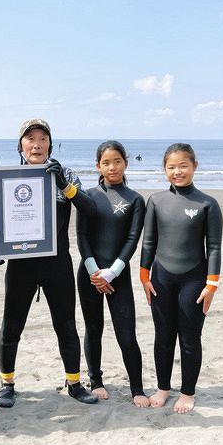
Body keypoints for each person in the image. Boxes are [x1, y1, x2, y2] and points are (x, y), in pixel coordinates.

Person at [0, 119, 98, 407]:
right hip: (21, 266)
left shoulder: (65, 174)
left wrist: (65, 187)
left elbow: (90, 210)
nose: (37, 144)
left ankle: (75, 383)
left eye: (43, 138)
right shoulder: (8, 177)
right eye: (30, 139)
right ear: (21, 146)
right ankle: (7, 384)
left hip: (58, 265)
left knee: (65, 325)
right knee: (11, 326)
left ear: (51, 144)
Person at [140, 143, 223, 414]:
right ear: (164, 170)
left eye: (183, 166)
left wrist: (211, 285)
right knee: (163, 336)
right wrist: (144, 275)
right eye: (172, 167)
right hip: (161, 278)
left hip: (194, 280)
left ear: (194, 166)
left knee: (189, 337)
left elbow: (213, 247)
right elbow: (149, 241)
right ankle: (163, 387)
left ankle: (188, 392)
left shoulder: (207, 204)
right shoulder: (156, 200)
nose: (178, 172)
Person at [76, 140, 149, 407]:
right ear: (98, 166)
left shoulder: (135, 200)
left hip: (118, 275)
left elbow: (132, 239)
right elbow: (81, 236)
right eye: (106, 162)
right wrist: (95, 271)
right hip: (89, 275)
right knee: (93, 328)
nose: (112, 166)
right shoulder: (89, 196)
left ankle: (137, 389)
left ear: (125, 163)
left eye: (117, 161)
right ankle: (95, 381)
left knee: (126, 334)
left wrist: (112, 272)